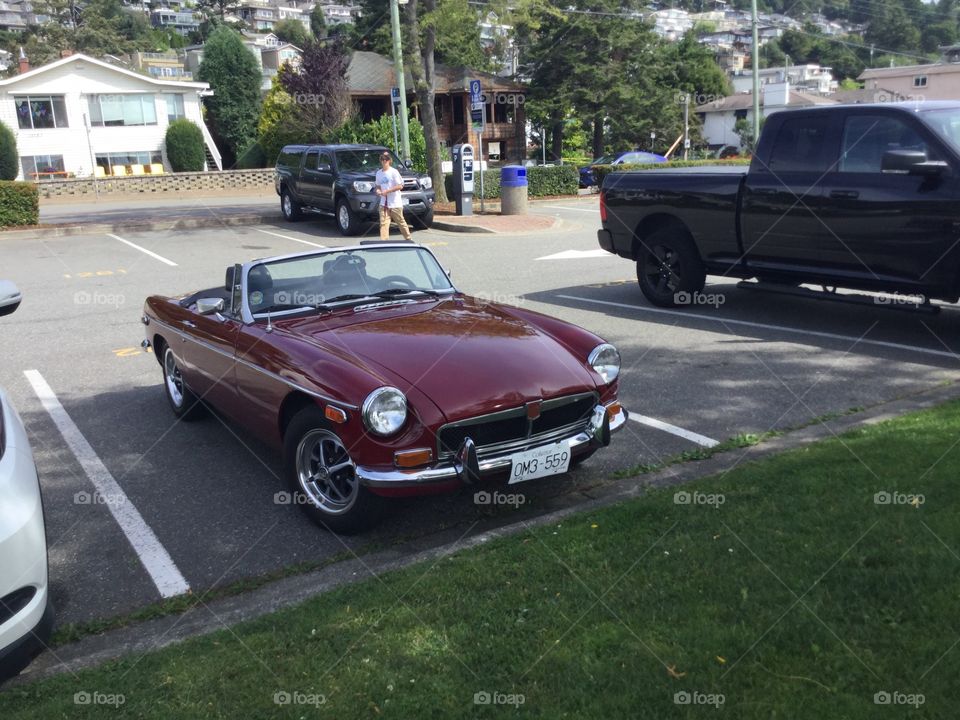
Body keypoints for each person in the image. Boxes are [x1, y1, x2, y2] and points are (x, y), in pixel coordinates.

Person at [375, 152, 413, 241]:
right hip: (384, 204)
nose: (384, 161)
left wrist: (388, 191)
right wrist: (378, 190)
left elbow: (400, 185)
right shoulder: (378, 173)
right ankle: (384, 242)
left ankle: (408, 239)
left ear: (389, 161)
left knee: (401, 222)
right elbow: (377, 185)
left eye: (386, 159)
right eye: (382, 159)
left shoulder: (394, 172)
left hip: (395, 203)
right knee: (383, 223)